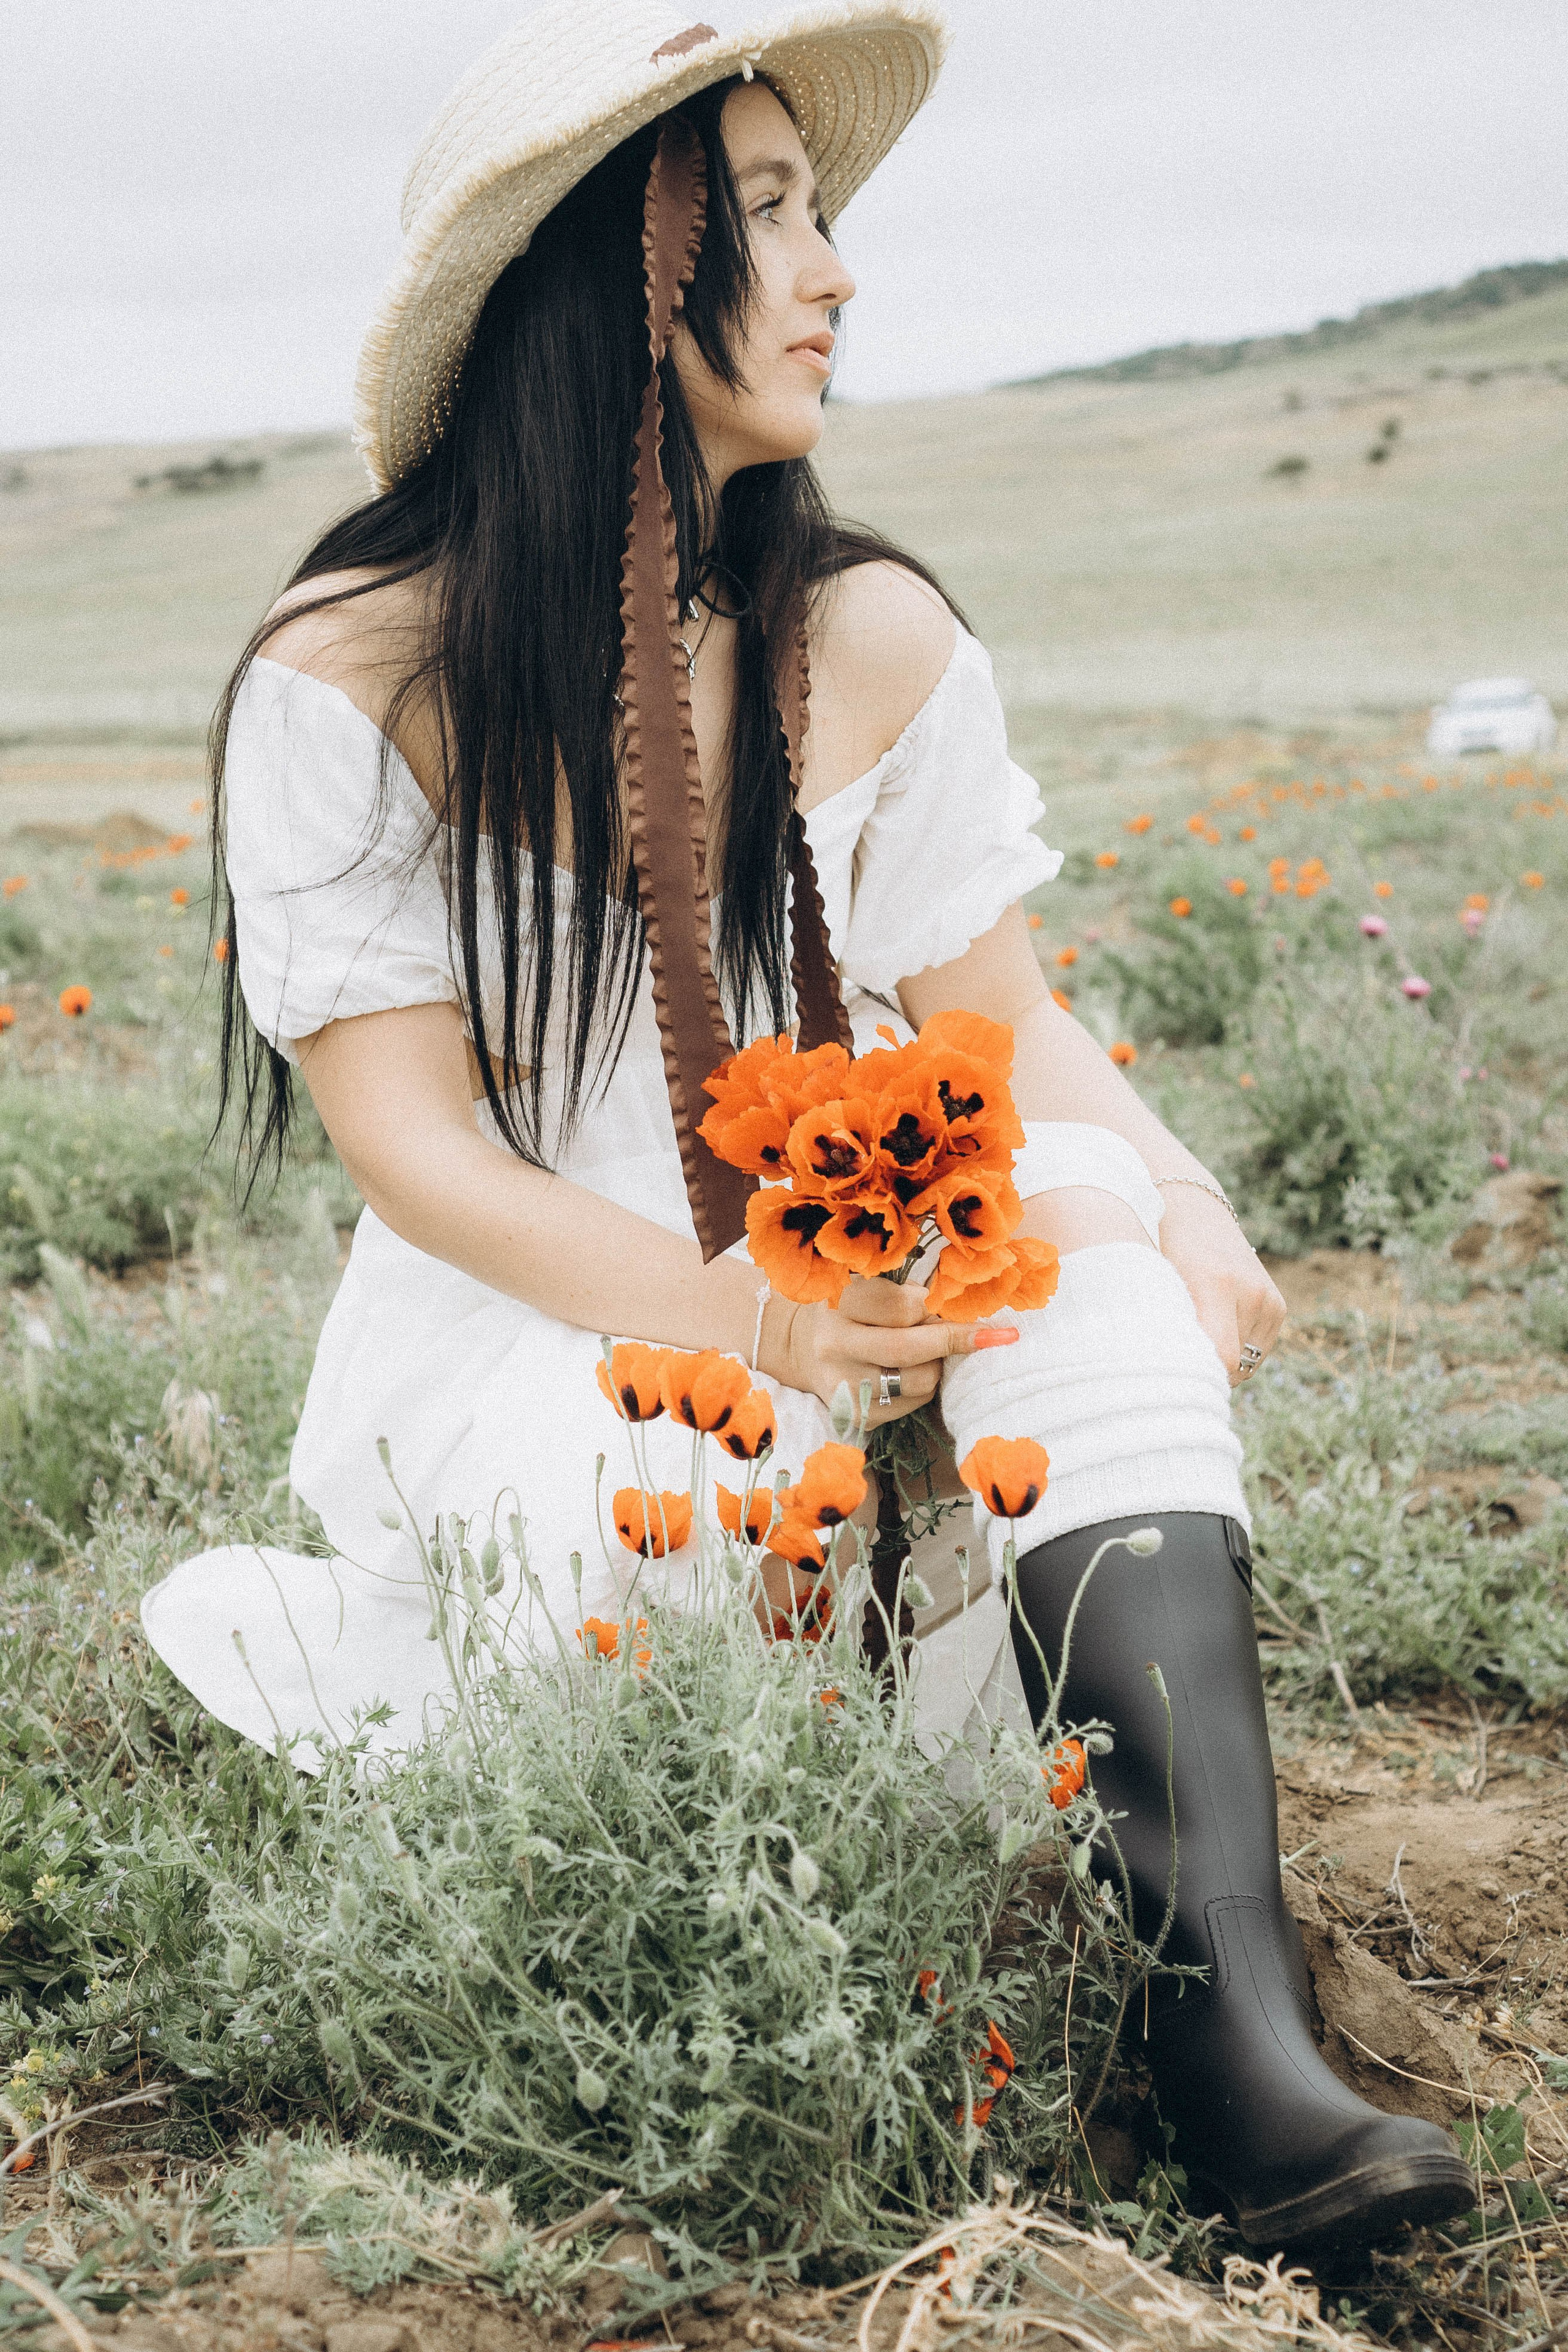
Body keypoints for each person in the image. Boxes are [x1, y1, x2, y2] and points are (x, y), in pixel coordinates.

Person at [141, 0, 1471, 2255]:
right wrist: (745, 1315)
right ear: (610, 286)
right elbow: (422, 1156)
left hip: (855, 1277)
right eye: (767, 216)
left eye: (823, 208)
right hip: (555, 1316)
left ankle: (1231, 2035)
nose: (839, 269)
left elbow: (1007, 1027)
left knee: (1078, 1232)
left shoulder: (872, 633)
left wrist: (1177, 1189)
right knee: (692, 1500)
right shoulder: (359, 672)